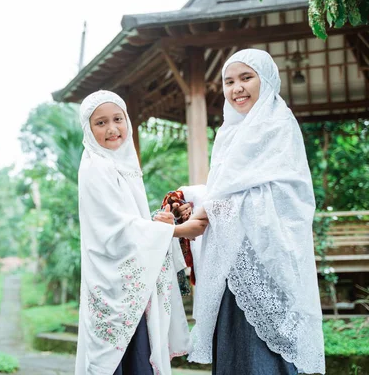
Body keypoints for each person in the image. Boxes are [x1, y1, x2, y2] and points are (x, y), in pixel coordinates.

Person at [182, 49, 325, 374]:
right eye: (229, 81)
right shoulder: (228, 133)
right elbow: (228, 190)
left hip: (267, 264)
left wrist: (214, 207)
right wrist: (197, 198)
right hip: (230, 266)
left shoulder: (278, 126)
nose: (237, 88)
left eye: (246, 78)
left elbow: (285, 197)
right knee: (236, 357)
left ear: (267, 79)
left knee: (266, 357)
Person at [74, 90, 208, 375]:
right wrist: (177, 231)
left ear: (128, 122)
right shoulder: (95, 167)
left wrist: (162, 220)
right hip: (113, 284)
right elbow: (113, 229)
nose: (112, 129)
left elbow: (130, 222)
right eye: (100, 123)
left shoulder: (122, 164)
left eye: (117, 119)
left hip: (132, 281)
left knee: (138, 355)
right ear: (88, 129)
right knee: (119, 360)